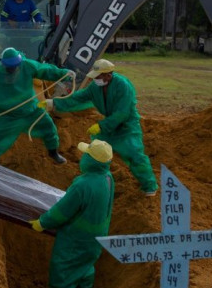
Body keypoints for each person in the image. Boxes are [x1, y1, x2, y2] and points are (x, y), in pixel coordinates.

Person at [30, 138, 115, 288]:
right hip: (95, 240)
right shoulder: (108, 178)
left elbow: (62, 211)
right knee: (85, 274)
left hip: (74, 241)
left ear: (92, 161)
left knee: (63, 281)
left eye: (86, 154)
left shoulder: (83, 184)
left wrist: (43, 222)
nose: (82, 157)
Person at [40, 59, 157, 196]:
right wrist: (53, 104)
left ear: (108, 75)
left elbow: (122, 113)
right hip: (109, 125)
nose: (95, 79)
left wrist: (101, 126)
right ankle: (93, 181)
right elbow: (78, 98)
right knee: (94, 151)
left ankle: (149, 186)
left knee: (134, 155)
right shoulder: (96, 87)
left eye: (98, 76)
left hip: (127, 126)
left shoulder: (123, 86)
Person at [0, 47, 74, 164]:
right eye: (9, 66)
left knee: (49, 128)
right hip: (7, 116)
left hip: (32, 110)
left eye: (15, 65)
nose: (13, 69)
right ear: (2, 63)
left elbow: (45, 70)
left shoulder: (26, 65)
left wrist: (65, 74)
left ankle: (53, 153)